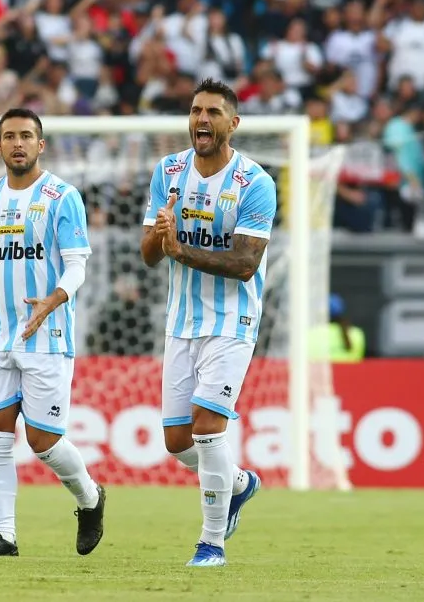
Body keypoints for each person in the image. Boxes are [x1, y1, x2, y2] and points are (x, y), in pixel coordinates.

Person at [0, 107, 105, 558]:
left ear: (41, 145)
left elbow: (78, 263)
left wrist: (55, 298)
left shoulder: (61, 197)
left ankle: (90, 498)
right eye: (10, 136)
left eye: (27, 136)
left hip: (48, 336)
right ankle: (4, 535)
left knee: (43, 442)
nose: (18, 143)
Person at [140, 78, 275, 567]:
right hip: (182, 321)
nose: (202, 119)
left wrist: (180, 249)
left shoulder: (255, 183)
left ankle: (211, 544)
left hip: (233, 321)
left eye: (214, 112)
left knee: (207, 428)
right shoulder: (168, 172)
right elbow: (150, 255)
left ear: (232, 124)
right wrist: (161, 236)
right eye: (196, 110)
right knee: (177, 442)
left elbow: (245, 264)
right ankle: (238, 483)